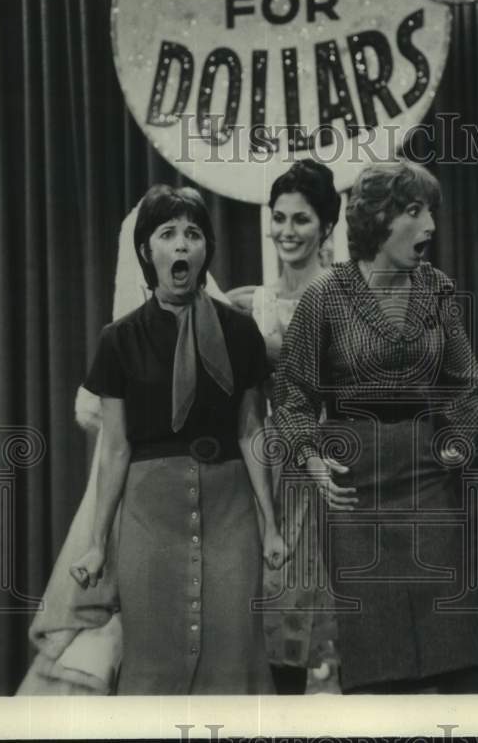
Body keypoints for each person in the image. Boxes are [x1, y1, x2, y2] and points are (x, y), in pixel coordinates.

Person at [271, 160, 478, 694]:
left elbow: (465, 389)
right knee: (378, 673)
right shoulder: (326, 296)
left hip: (429, 482)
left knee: (455, 662)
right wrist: (311, 458)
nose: (430, 226)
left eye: (430, 211)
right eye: (414, 212)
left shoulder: (437, 290)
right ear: (376, 219)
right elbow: (292, 395)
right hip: (354, 490)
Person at [68, 184, 285, 695]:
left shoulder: (239, 332)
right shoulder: (118, 340)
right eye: (168, 234)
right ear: (148, 250)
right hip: (150, 518)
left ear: (207, 249)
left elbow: (252, 430)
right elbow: (116, 448)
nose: (182, 245)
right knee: (155, 664)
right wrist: (98, 543)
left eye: (193, 234)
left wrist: (271, 526)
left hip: (231, 517)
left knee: (234, 659)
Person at [248, 160, 341, 695]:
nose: (287, 231)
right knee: (281, 627)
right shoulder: (256, 302)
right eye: (279, 218)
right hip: (275, 475)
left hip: (334, 462)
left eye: (301, 220)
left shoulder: (344, 295)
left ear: (326, 226)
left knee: (341, 628)